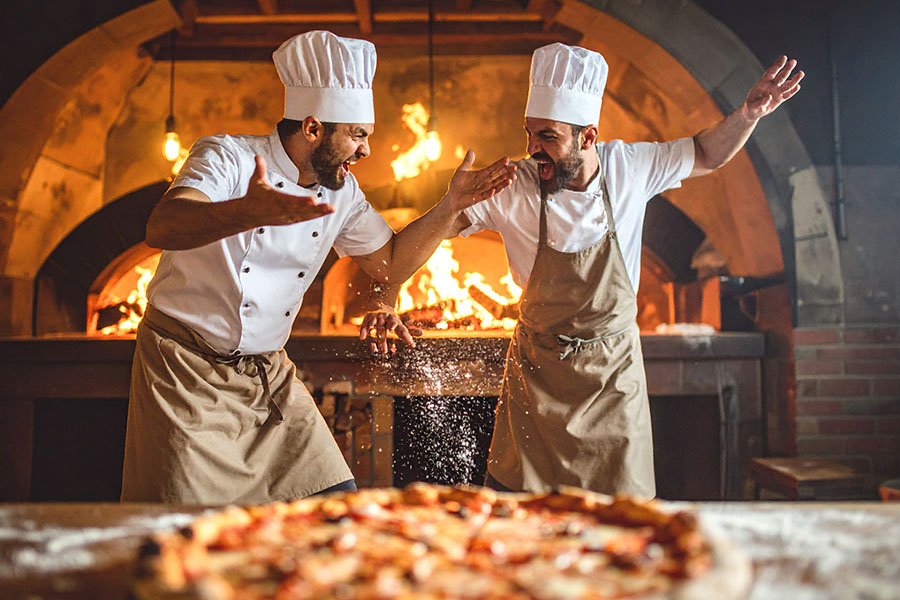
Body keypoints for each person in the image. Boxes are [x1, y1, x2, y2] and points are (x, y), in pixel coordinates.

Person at [364, 43, 802, 497]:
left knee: (623, 522)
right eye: (529, 134)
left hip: (613, 380)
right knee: (522, 518)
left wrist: (748, 114)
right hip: (537, 380)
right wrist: (448, 206)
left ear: (588, 137)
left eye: (548, 137)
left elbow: (706, 153)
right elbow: (408, 250)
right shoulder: (512, 186)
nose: (533, 150)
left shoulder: (630, 168)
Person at [120, 30, 516, 505]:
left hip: (268, 376)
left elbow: (388, 264)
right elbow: (161, 227)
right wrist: (246, 212)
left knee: (333, 500)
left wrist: (450, 206)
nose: (366, 150)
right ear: (312, 129)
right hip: (186, 376)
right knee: (188, 528)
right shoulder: (226, 156)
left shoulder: (341, 190)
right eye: (357, 135)